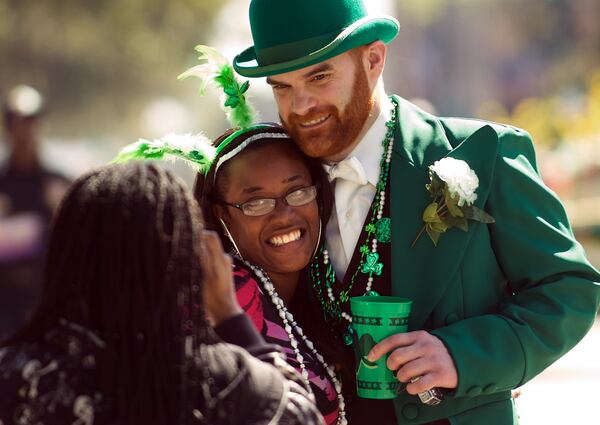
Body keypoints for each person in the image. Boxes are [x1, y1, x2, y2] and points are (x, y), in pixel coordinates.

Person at [231, 1, 600, 424]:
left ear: (373, 59)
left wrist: (462, 355)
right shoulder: (276, 184)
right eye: (282, 87)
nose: (300, 106)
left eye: (319, 76)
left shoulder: (484, 154)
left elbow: (569, 290)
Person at [0, 162, 324, 425]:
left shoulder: (19, 373)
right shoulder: (222, 381)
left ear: (66, 255)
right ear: (187, 258)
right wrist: (230, 315)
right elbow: (299, 416)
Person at [193, 123, 348, 425]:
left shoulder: (326, 284)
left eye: (297, 191)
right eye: (256, 203)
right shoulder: (228, 294)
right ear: (221, 215)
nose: (284, 214)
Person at [0, 85, 70, 339]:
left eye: (32, 122)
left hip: (44, 304)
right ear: (8, 127)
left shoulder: (58, 182)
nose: (26, 131)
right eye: (18, 123)